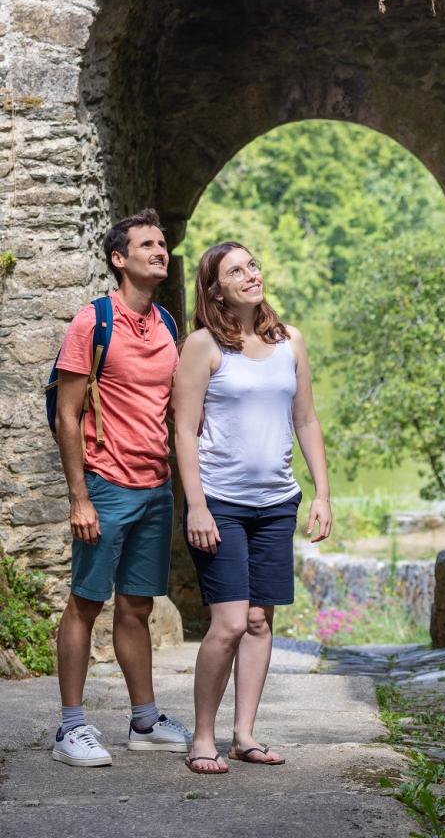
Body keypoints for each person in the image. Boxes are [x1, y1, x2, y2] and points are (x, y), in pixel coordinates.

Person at [173, 241, 331, 775]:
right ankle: (202, 737)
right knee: (230, 623)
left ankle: (243, 736)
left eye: (253, 265)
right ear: (215, 288)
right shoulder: (203, 346)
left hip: (276, 503)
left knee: (261, 622)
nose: (251, 274)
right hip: (220, 502)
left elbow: (306, 420)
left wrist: (322, 494)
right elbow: (184, 430)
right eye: (235, 270)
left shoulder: (291, 342)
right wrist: (195, 504)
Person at [51, 208, 191, 767]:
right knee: (86, 602)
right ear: (120, 259)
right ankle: (70, 728)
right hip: (105, 485)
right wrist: (79, 496)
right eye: (147, 245)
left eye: (162, 244)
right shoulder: (94, 321)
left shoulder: (167, 326)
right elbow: (67, 415)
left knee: (137, 605)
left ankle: (144, 719)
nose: (160, 251)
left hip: (155, 488)